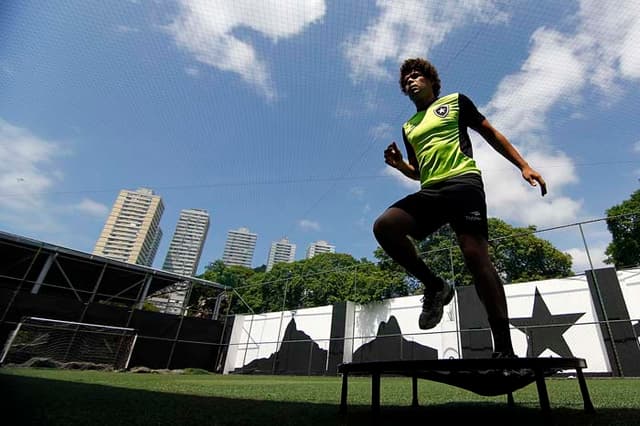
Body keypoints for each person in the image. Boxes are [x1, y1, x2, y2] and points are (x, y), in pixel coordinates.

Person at [373, 58, 546, 358]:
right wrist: (401, 165)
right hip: (432, 191)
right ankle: (436, 285)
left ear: (431, 81)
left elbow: (490, 132)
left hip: (464, 185)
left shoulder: (455, 102)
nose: (410, 82)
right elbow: (419, 171)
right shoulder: (409, 127)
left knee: (477, 260)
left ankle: (504, 350)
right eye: (406, 81)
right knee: (385, 226)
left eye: (416, 77)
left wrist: (524, 166)